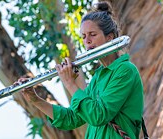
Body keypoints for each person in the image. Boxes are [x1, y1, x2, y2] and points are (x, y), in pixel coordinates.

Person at [16, 2, 144, 139]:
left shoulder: (125, 71)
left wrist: (70, 83)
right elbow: (71, 118)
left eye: (92, 34)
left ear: (110, 37)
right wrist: (36, 100)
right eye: (83, 37)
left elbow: (98, 116)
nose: (87, 41)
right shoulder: (98, 77)